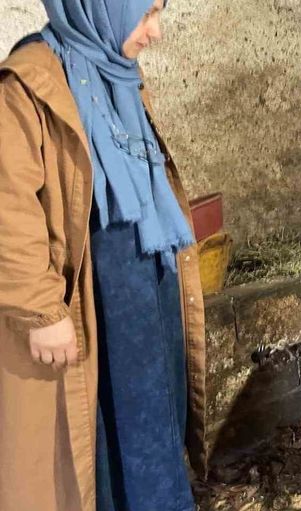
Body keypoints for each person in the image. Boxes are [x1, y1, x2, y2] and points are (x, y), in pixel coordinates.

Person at [0, 1, 207, 509]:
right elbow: (7, 208)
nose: (155, 32)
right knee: (100, 447)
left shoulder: (118, 76)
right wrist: (41, 311)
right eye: (146, 13)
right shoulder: (25, 88)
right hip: (88, 305)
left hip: (143, 296)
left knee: (152, 425)